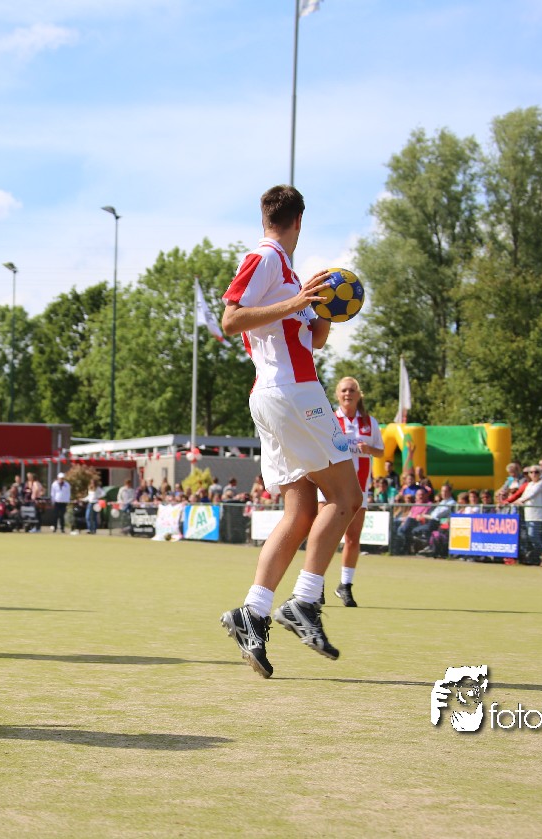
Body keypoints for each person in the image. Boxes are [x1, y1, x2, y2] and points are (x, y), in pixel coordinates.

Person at [217, 184, 361, 678]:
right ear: (298, 221)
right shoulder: (266, 258)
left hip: (279, 396)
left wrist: (323, 310)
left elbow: (310, 340)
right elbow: (231, 319)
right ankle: (305, 600)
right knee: (347, 497)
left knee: (300, 512)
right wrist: (297, 300)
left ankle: (253, 612)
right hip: (293, 393)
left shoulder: (289, 274)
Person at [326, 376, 384, 607]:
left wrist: (369, 449)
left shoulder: (370, 422)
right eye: (344, 390)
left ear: (359, 395)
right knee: (325, 536)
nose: (348, 394)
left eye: (352, 390)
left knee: (352, 538)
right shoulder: (330, 419)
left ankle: (345, 585)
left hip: (359, 487)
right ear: (337, 395)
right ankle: (315, 584)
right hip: (331, 486)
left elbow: (380, 452)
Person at [512, 465, 542, 564]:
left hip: (538, 515)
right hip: (528, 514)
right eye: (531, 472)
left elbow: (531, 495)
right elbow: (524, 495)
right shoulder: (529, 484)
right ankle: (538, 558)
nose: (534, 474)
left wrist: (520, 501)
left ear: (540, 473)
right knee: (530, 537)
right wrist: (516, 501)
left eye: (536, 472)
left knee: (533, 536)